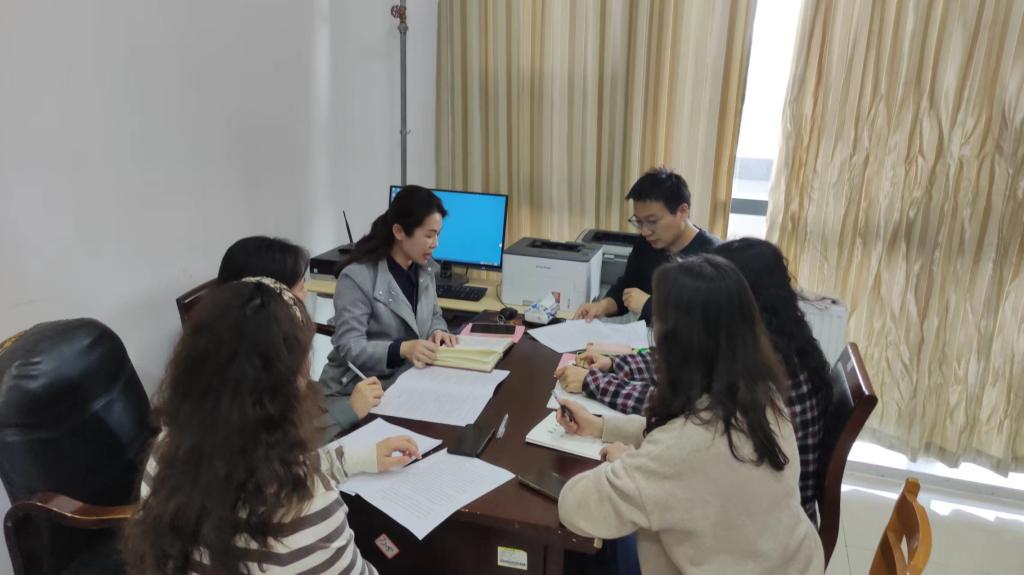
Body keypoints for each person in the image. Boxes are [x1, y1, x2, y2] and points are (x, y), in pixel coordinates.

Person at [123, 278, 420, 574]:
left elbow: (276, 469)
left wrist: (356, 459)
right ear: (290, 385)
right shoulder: (304, 511)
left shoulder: (167, 448)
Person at [556, 256, 824, 574]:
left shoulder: (681, 451)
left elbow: (574, 507)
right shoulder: (763, 397)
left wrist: (626, 464)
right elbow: (684, 438)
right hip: (788, 561)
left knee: (588, 556)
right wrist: (602, 426)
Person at [217, 236, 384, 442]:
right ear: (267, 296)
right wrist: (349, 411)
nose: (305, 293)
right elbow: (284, 445)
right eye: (299, 287)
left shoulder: (248, 339)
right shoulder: (250, 367)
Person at [318, 185, 457, 433]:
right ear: (399, 231)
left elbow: (434, 314)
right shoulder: (357, 277)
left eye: (438, 235)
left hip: (404, 384)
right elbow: (349, 346)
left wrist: (438, 331)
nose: (435, 244)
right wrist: (402, 349)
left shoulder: (424, 270)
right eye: (429, 235)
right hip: (355, 392)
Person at [574, 168, 720, 323]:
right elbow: (628, 286)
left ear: (683, 211)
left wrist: (650, 305)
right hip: (645, 337)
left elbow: (708, 320)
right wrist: (602, 306)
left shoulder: (716, 257)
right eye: (639, 222)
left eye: (652, 221)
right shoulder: (646, 244)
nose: (644, 231)